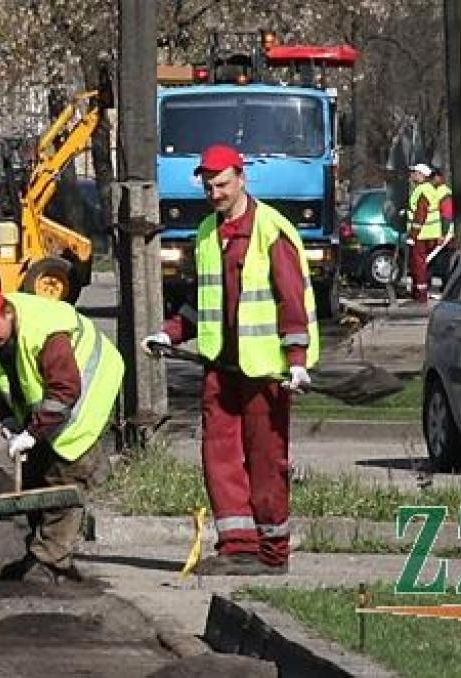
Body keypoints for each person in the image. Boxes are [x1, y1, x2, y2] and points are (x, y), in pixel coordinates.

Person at [139, 143, 319, 576]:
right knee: (218, 454)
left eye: (221, 184)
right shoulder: (205, 234)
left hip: (265, 369)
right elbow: (201, 302)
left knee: (265, 459)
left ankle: (273, 553)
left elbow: (289, 300)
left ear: (241, 178)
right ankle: (237, 546)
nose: (215, 193)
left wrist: (296, 359)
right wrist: (169, 332)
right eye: (208, 186)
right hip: (222, 365)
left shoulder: (270, 230)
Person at [0, 284, 124, 584]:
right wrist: (11, 421)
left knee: (65, 477)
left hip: (84, 397)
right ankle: (40, 552)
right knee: (34, 476)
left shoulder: (46, 331)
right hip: (44, 408)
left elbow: (64, 389)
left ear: (7, 313)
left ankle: (51, 559)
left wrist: (34, 431)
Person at [406, 163, 443, 304]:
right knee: (421, 264)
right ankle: (418, 291)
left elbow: (420, 214)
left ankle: (420, 294)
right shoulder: (428, 189)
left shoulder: (422, 191)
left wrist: (413, 235)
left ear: (422, 175)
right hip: (429, 233)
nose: (412, 175)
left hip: (422, 234)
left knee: (418, 264)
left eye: (415, 172)